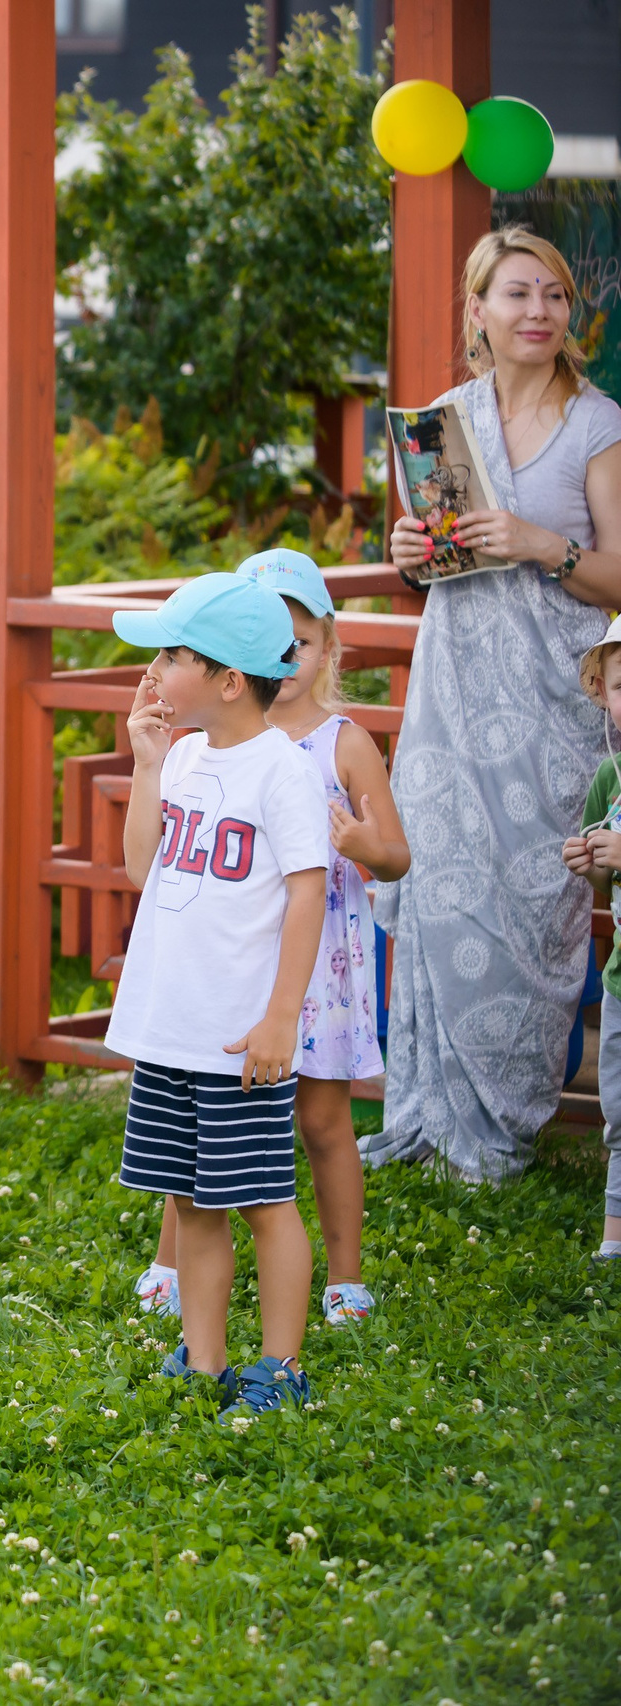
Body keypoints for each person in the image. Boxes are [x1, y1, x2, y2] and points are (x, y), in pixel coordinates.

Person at [372, 226, 621, 1184]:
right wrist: (408, 554)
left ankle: (503, 1127)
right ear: (478, 311)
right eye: (517, 295)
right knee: (438, 891)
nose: (538, 313)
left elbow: (617, 575)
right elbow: (439, 560)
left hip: (554, 701)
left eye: (554, 296)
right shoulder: (444, 420)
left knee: (531, 904)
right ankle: (429, 1119)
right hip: (454, 692)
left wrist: (536, 541)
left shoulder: (597, 425)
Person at [135, 551, 410, 1329]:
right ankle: (172, 1262)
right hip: (230, 964)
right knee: (199, 1125)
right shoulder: (200, 748)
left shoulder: (337, 744)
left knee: (321, 1123)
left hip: (316, 972)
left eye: (302, 642)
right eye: (271, 640)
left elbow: (396, 854)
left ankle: (343, 1275)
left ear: (329, 649)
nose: (286, 658)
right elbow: (148, 862)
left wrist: (358, 842)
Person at [106, 573, 328, 1415]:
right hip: (173, 1028)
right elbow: (139, 867)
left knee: (264, 1201)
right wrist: (148, 765)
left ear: (230, 680)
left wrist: (281, 1017)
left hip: (242, 1037)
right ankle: (204, 1360)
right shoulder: (188, 755)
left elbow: (308, 894)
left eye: (172, 655)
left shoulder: (282, 772)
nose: (156, 671)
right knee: (190, 1200)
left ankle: (283, 1366)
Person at [560, 614, 621, 1264]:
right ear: (603, 692)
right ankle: (614, 1238)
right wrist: (592, 859)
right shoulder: (611, 779)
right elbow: (605, 874)